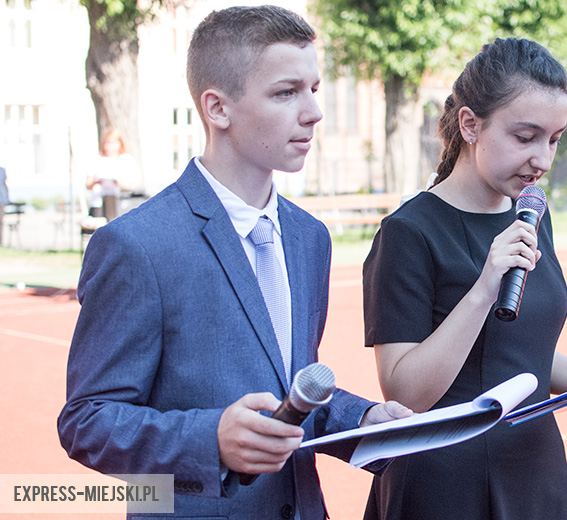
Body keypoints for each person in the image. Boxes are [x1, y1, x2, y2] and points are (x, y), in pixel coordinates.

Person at [58, 6, 410, 520]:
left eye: (314, 89)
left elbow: (291, 392)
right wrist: (210, 439)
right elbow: (87, 421)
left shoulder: (309, 238)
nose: (313, 112)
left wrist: (369, 418)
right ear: (217, 108)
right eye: (286, 92)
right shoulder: (136, 245)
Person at [361, 37, 567, 520]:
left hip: (535, 470)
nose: (543, 158)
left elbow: (514, 348)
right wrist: (483, 288)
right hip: (445, 481)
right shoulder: (408, 233)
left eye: (554, 139)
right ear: (470, 124)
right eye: (525, 137)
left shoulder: (532, 213)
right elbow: (405, 393)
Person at [85, 128, 142, 221]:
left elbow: (135, 184)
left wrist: (121, 184)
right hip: (99, 203)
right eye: (106, 143)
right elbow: (88, 184)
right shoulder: (97, 159)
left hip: (120, 203)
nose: (109, 147)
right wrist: (97, 182)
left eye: (112, 143)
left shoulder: (127, 160)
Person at [0, 165, 8, 246]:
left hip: (1, 200)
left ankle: (1, 242)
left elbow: (5, 184)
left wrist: (7, 198)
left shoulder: (2, 170)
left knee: (1, 222)